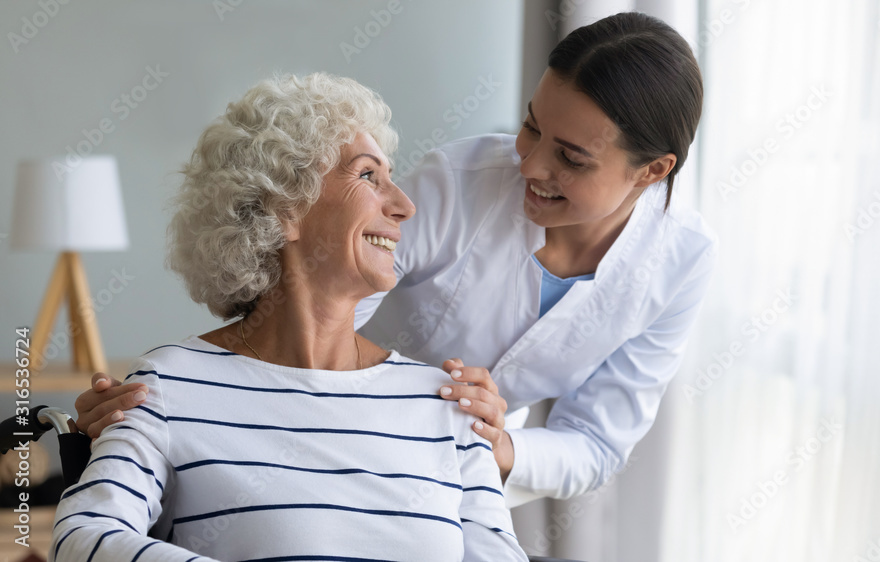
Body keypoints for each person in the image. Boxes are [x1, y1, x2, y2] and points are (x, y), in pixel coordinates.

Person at [75, 12, 716, 508]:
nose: (529, 163)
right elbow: (320, 310)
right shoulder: (461, 182)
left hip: (458, 481)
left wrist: (501, 446)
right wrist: (175, 403)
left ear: (653, 172)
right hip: (312, 428)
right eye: (531, 127)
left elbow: (598, 444)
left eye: (570, 158)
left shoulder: (681, 262)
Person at [51, 73, 527, 561]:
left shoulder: (445, 404)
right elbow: (82, 538)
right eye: (368, 175)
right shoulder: (172, 387)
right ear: (283, 207)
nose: (404, 205)